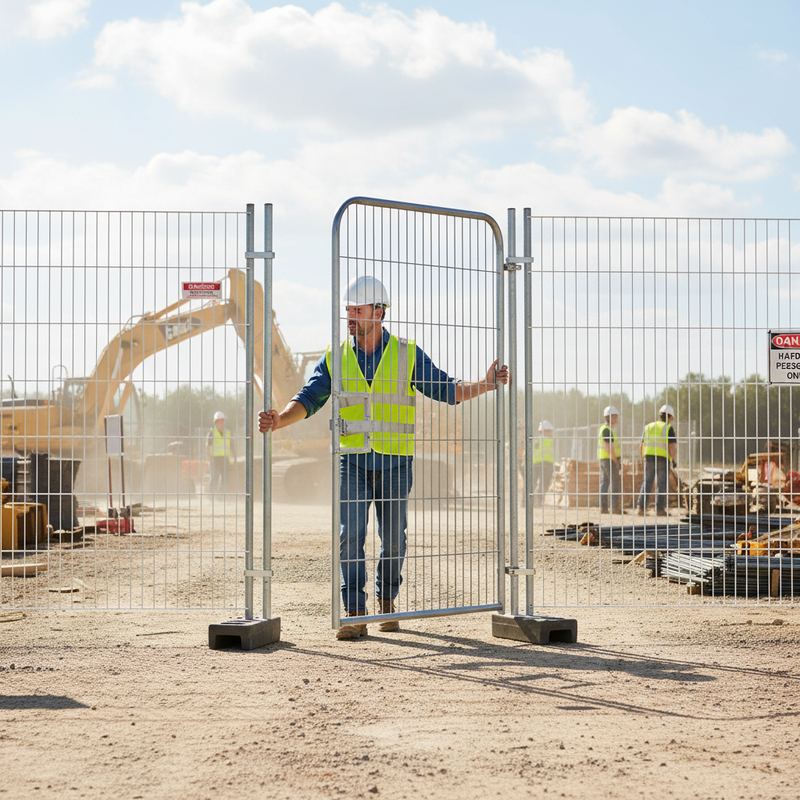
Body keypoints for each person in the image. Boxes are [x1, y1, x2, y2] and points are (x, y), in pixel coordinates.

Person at [258, 276, 509, 641]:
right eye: (348, 311)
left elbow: (447, 390)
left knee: (394, 539)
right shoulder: (337, 355)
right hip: (354, 460)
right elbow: (310, 398)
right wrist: (280, 419)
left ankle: (386, 601)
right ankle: (354, 613)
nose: (350, 317)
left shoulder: (407, 354)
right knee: (350, 536)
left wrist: (485, 384)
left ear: (378, 312)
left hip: (395, 461)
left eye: (357, 311)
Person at [635, 404, 677, 516]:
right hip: (662, 458)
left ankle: (640, 508)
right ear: (670, 417)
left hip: (648, 457)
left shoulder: (649, 426)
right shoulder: (668, 427)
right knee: (661, 483)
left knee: (647, 481)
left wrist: (642, 457)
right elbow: (671, 446)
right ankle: (659, 510)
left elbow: (641, 444)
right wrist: (674, 461)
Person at [598, 405, 622, 514]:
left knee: (605, 482)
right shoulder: (607, 430)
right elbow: (609, 448)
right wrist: (616, 461)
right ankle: (614, 507)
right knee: (614, 482)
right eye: (615, 417)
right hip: (609, 459)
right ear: (609, 417)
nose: (616, 419)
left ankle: (603, 507)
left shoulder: (605, 429)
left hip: (603, 458)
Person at [207, 411, 234, 493]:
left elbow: (232, 445)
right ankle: (212, 496)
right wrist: (209, 458)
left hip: (225, 459)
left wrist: (233, 457)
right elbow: (208, 446)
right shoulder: (212, 432)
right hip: (215, 459)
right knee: (214, 478)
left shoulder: (228, 432)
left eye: (223, 420)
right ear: (216, 422)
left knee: (225, 478)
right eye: (220, 421)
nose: (222, 423)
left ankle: (221, 495)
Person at [531, 420, 554, 506]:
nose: (550, 432)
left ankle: (538, 501)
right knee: (537, 484)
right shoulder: (539, 440)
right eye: (548, 430)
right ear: (542, 431)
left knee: (543, 484)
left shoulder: (538, 440)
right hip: (539, 464)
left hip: (546, 464)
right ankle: (533, 501)